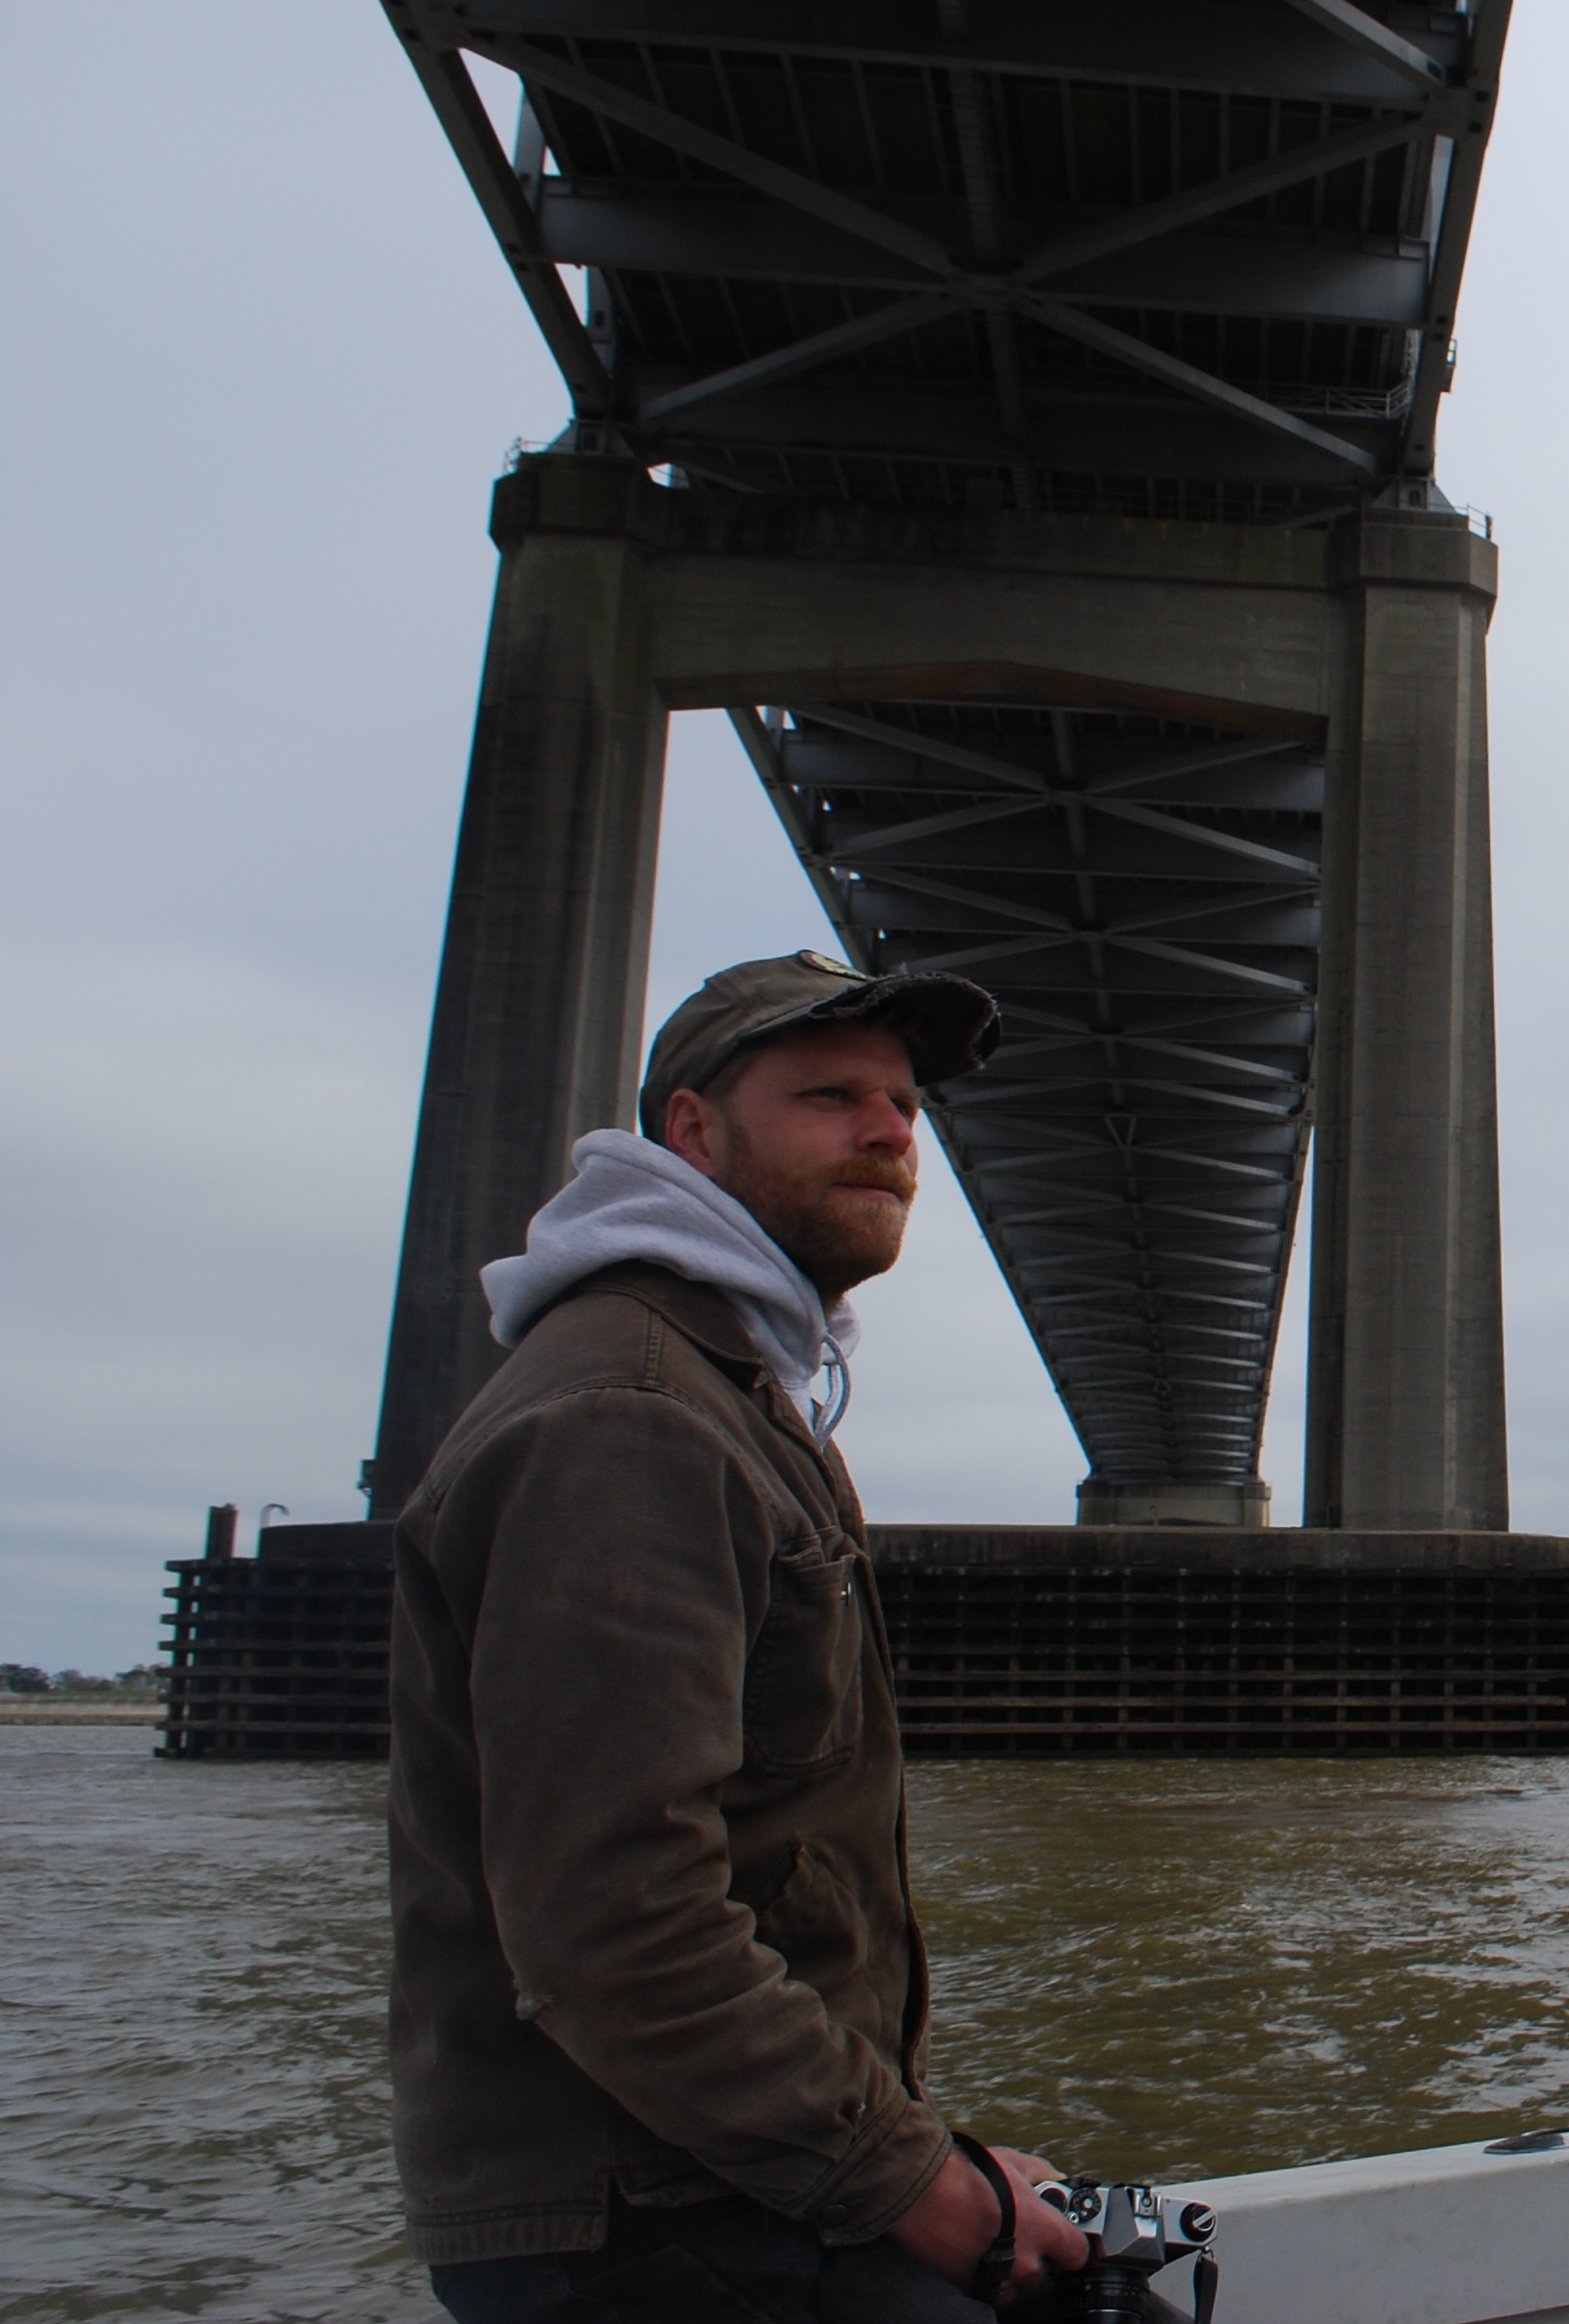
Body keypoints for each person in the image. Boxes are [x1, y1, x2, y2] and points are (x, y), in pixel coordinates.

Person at [387, 952, 1092, 2320]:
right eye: (831, 1096)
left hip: (728, 2193)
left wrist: (913, 2156)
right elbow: (616, 1916)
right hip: (660, 2231)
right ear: (691, 1129)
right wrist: (919, 2186)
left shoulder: (732, 1389)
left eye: (903, 1104)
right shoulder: (631, 1420)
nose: (890, 1133)